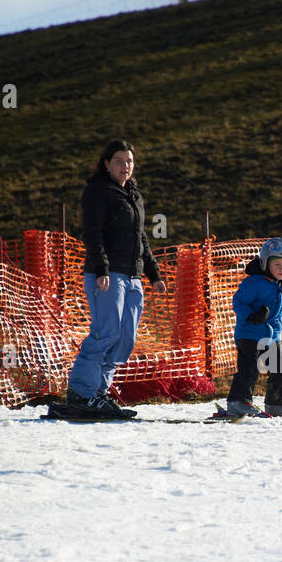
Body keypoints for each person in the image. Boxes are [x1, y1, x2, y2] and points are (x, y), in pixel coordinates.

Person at [65, 140, 167, 418]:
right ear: (107, 164)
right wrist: (101, 269)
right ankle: (81, 393)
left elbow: (141, 238)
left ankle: (98, 392)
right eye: (119, 161)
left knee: (125, 339)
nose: (125, 166)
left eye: (129, 162)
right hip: (108, 276)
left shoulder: (134, 194)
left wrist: (153, 273)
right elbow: (92, 233)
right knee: (105, 333)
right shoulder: (98, 191)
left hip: (133, 277)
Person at [226, 237, 282, 417]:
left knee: (280, 369)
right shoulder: (255, 283)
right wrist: (252, 316)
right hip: (249, 333)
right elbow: (239, 302)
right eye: (277, 265)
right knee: (249, 368)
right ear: (266, 263)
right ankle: (238, 403)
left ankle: (276, 404)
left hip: (272, 336)